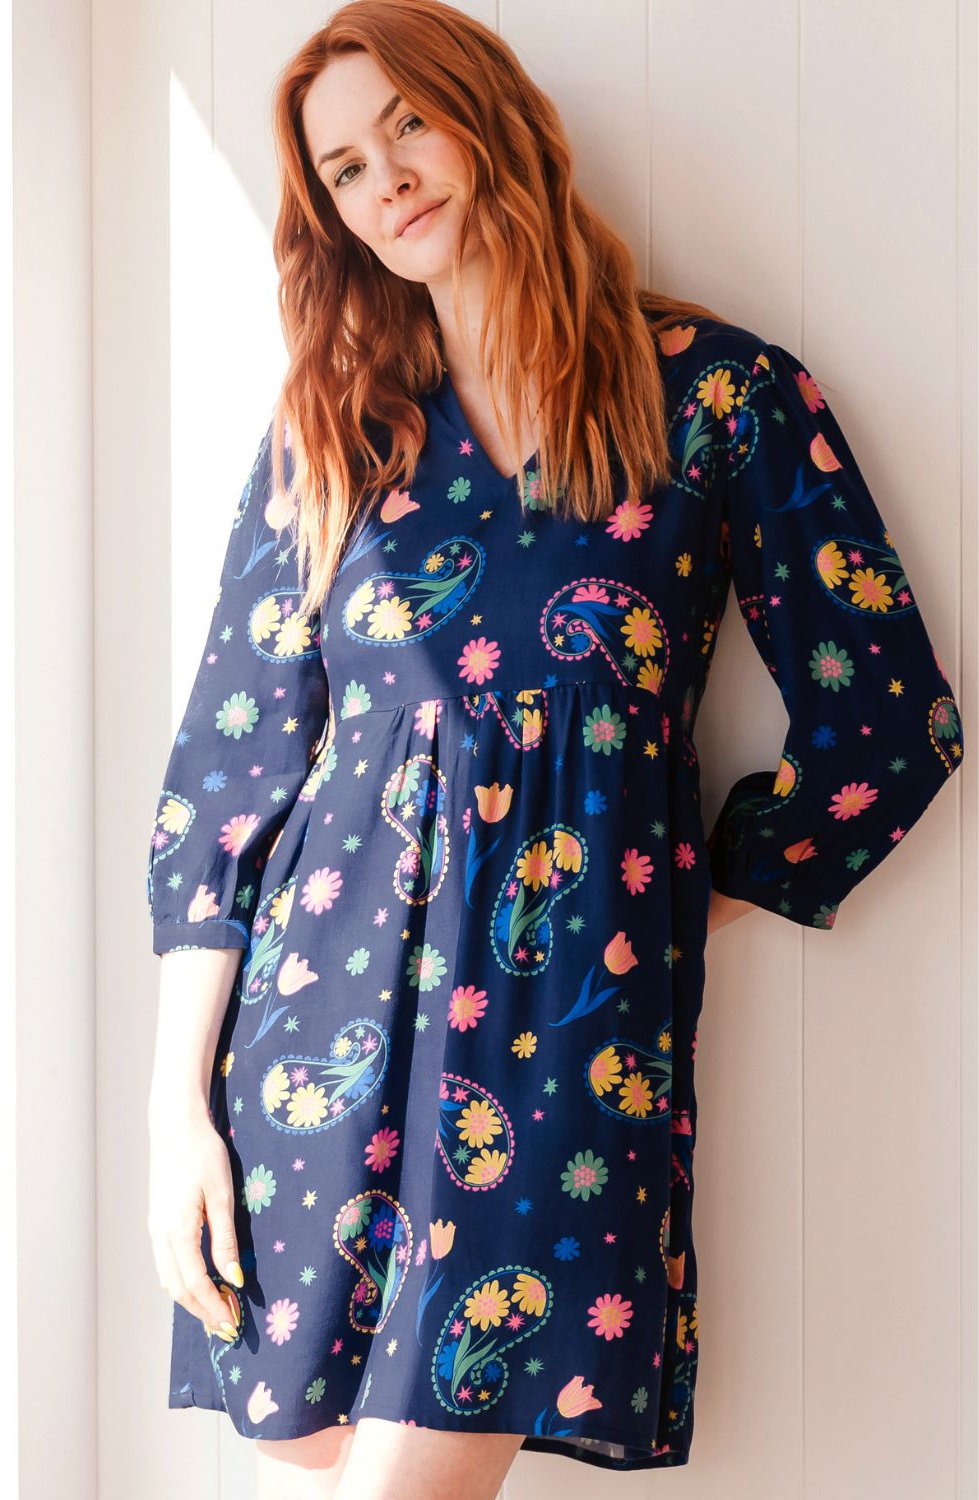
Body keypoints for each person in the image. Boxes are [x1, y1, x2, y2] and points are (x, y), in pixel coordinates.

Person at [144, 2, 966, 1496]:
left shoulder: (716, 396)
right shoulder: (335, 431)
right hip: (314, 1042)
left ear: (490, 115)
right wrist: (173, 1114)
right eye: (343, 168)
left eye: (407, 122)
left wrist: (664, 895)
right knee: (324, 1455)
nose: (386, 179)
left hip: (562, 1049)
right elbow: (228, 773)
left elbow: (889, 724)